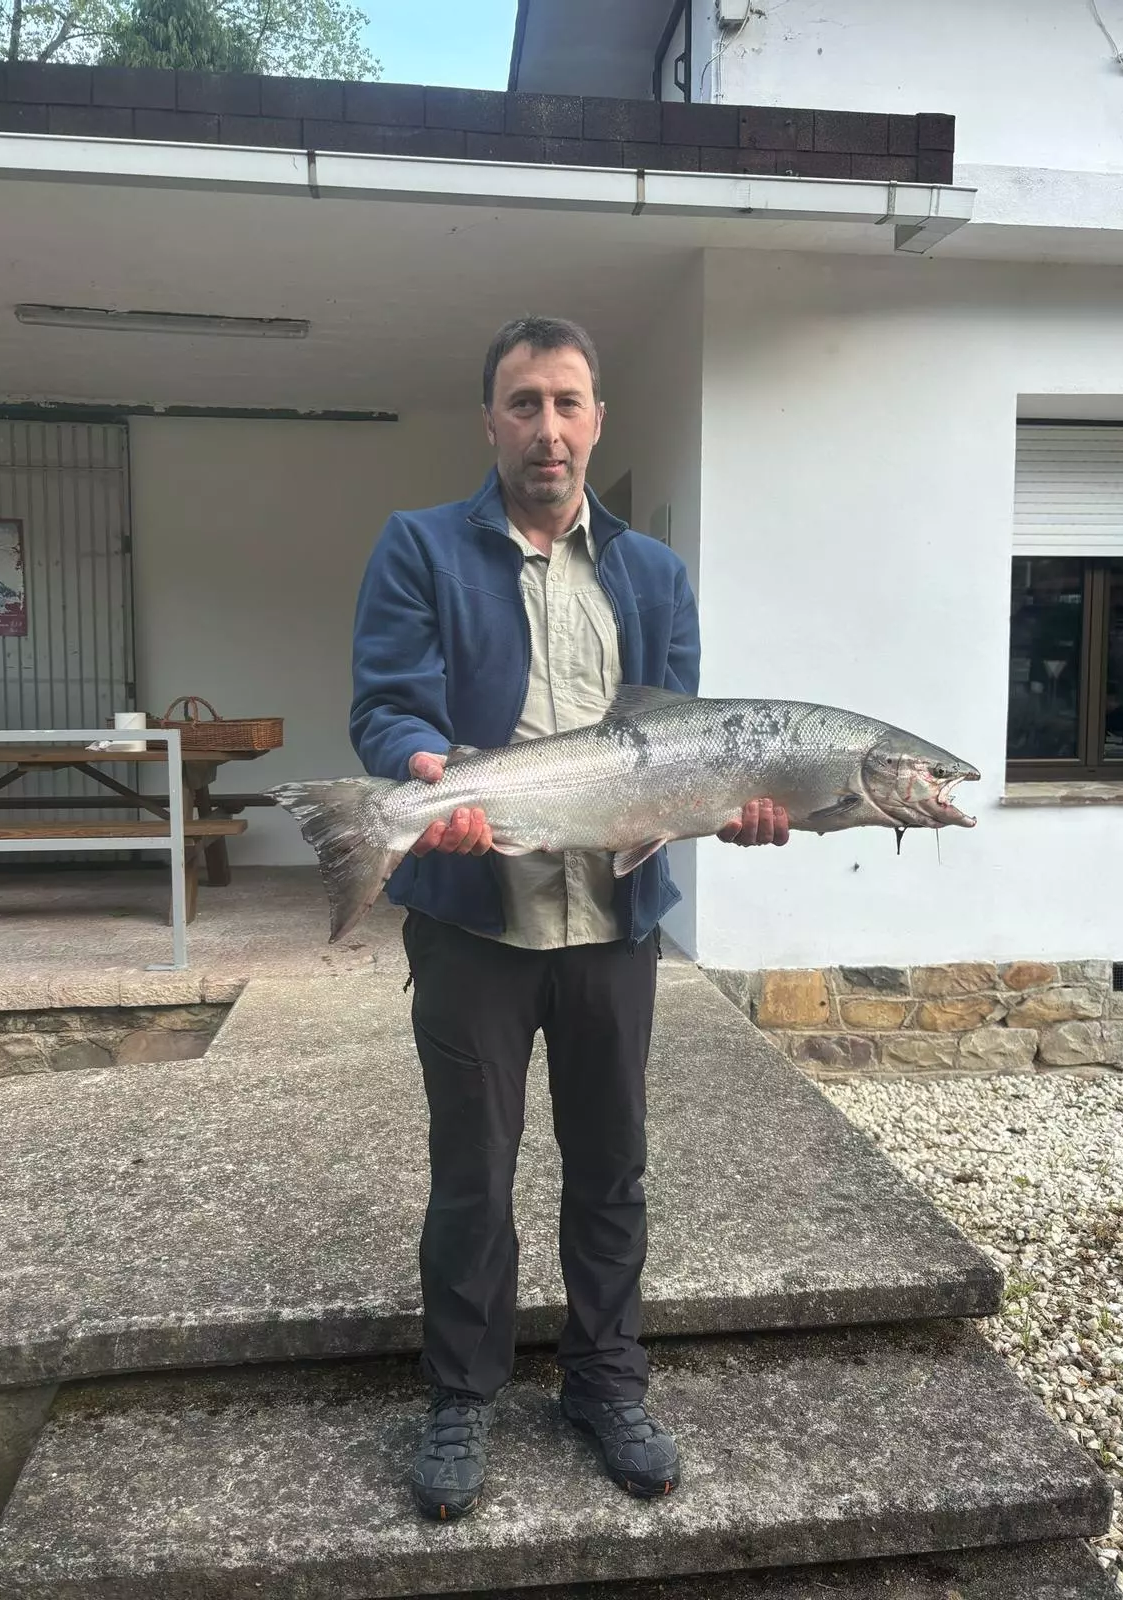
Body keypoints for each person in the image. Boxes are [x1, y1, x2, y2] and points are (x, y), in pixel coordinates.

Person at [349, 316, 789, 1521]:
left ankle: (605, 1382)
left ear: (599, 421)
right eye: (524, 402)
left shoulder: (654, 575)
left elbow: (695, 745)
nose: (548, 427)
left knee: (610, 1169)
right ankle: (462, 1393)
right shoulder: (420, 550)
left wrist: (731, 812)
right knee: (472, 1175)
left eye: (569, 403)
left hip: (613, 923)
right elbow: (387, 706)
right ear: (489, 419)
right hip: (471, 915)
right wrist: (425, 772)